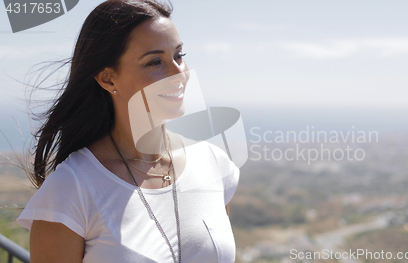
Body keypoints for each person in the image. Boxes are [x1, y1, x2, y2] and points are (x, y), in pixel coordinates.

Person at [16, 0, 240, 262]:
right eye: (155, 62)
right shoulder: (70, 190)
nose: (178, 73)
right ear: (108, 78)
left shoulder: (213, 164)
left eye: (179, 56)